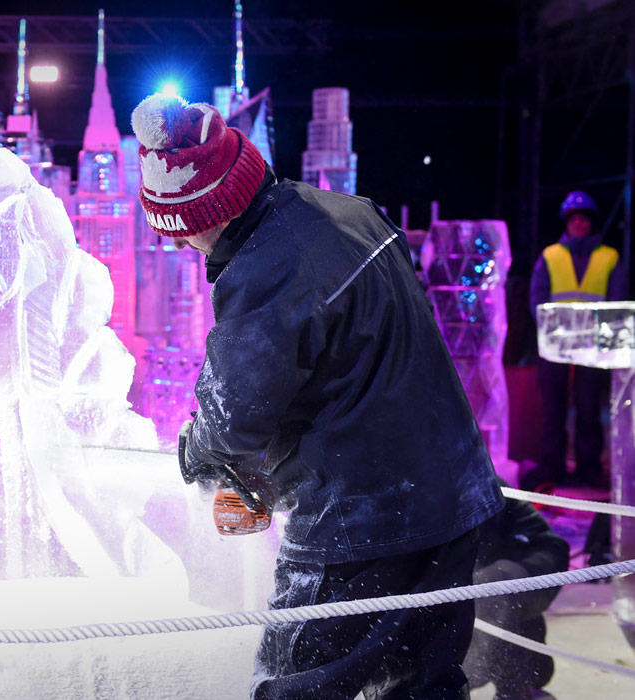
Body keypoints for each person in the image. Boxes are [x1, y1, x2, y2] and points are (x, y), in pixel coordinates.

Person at [130, 93, 505, 700]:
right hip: (451, 501)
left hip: (359, 526)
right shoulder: (352, 213)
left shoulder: (266, 271)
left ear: (209, 213)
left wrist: (197, 448)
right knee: (424, 686)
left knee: (295, 684)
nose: (178, 247)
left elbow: (234, 416)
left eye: (179, 232)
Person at [521, 190, 627, 493]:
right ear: (567, 222)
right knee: (553, 407)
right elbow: (537, 298)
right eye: (574, 218)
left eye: (584, 219)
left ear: (591, 223)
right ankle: (552, 465)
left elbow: (616, 300)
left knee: (589, 407)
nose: (579, 223)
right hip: (555, 348)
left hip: (592, 349)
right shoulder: (551, 256)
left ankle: (588, 467)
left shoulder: (609, 258)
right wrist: (550, 332)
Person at [464, 478, 569, 700]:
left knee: (488, 587)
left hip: (531, 560)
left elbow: (547, 544)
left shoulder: (472, 474)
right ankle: (530, 659)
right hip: (491, 580)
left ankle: (515, 690)